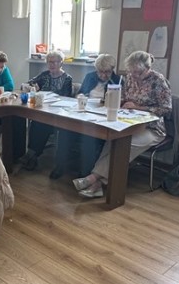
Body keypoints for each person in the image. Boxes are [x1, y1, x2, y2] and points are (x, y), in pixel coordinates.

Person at [73, 50, 171, 198]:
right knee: (112, 139)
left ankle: (93, 179)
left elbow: (166, 109)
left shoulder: (158, 80)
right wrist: (118, 102)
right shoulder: (130, 78)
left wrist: (138, 107)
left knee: (124, 144)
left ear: (148, 68)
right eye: (132, 72)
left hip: (152, 128)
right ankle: (97, 184)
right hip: (129, 122)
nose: (134, 76)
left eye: (138, 73)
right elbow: (124, 97)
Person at [52, 53, 121, 179]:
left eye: (107, 72)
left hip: (102, 118)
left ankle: (85, 173)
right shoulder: (90, 77)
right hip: (84, 113)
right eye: (100, 72)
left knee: (89, 136)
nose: (103, 75)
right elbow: (81, 93)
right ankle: (60, 166)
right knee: (65, 131)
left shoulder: (118, 81)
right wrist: (80, 97)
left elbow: (118, 103)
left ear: (112, 70)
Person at [17, 50, 74, 171]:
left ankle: (32, 155)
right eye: (49, 62)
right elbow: (26, 84)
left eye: (54, 62)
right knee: (37, 122)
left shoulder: (67, 79)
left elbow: (66, 98)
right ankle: (32, 155)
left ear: (61, 63)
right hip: (43, 110)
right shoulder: (44, 75)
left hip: (59, 114)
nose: (51, 65)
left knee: (41, 123)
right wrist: (30, 87)